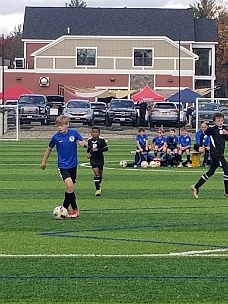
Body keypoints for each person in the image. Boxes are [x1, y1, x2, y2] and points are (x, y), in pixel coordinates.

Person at [40, 115, 87, 218]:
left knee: (69, 189)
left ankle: (65, 208)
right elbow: (49, 149)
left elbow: (81, 141)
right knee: (70, 186)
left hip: (73, 165)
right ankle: (75, 209)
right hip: (63, 166)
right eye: (58, 126)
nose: (59, 128)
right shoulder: (56, 137)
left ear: (67, 125)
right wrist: (44, 162)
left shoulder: (74, 133)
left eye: (61, 125)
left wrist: (84, 144)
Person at [190, 112, 228, 199]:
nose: (220, 122)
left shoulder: (224, 128)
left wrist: (226, 134)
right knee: (227, 169)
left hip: (220, 153)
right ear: (214, 122)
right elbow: (202, 135)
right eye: (218, 121)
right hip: (216, 154)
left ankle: (196, 187)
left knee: (211, 172)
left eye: (221, 120)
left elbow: (226, 139)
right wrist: (200, 146)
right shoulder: (212, 129)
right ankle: (227, 192)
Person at [87, 127, 108, 196]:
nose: (94, 133)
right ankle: (98, 189)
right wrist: (88, 154)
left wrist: (98, 149)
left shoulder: (101, 140)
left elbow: (106, 148)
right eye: (93, 132)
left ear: (99, 133)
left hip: (100, 159)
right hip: (93, 159)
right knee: (96, 173)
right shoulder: (89, 141)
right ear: (91, 133)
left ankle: (99, 184)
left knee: (100, 175)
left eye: (96, 132)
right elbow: (89, 149)